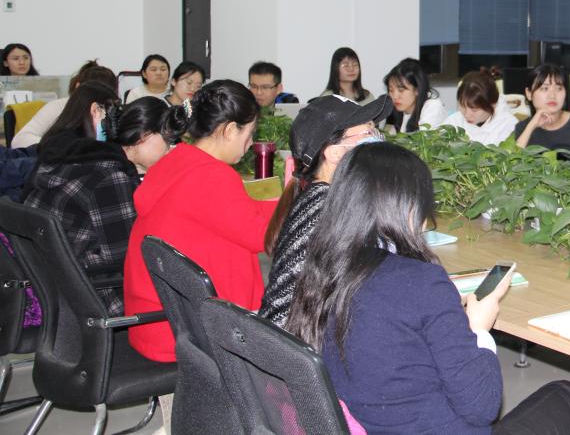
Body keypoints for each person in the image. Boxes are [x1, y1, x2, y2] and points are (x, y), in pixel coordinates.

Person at [285, 143, 570, 434]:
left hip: (366, 424)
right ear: (406, 207)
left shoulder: (322, 269)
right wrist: (478, 330)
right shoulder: (422, 282)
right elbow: (483, 406)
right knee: (569, 397)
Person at [123, 80, 276, 362]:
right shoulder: (211, 176)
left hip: (157, 321)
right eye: (249, 133)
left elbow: (236, 214)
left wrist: (284, 203)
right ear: (229, 130)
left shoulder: (177, 161)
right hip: (184, 334)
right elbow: (262, 236)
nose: (250, 143)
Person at [22, 88, 179, 315]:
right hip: (91, 297)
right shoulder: (111, 178)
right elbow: (127, 258)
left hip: (49, 286)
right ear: (143, 135)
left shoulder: (78, 159)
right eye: (168, 140)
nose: (170, 149)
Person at [259, 93, 393, 327]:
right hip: (303, 340)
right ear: (334, 153)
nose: (377, 140)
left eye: (375, 130)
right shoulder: (335, 210)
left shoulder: (315, 195)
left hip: (288, 336)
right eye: (367, 133)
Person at [11, 60, 117, 148]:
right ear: (78, 87)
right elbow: (20, 140)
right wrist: (62, 147)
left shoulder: (112, 111)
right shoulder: (57, 107)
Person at [514, 64, 570, 161]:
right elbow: (513, 163)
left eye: (558, 89)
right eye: (545, 88)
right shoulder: (523, 128)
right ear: (529, 93)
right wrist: (531, 126)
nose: (552, 95)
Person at [443, 71, 518, 145]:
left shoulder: (509, 126)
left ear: (493, 105)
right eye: (463, 106)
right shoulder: (454, 121)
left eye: (474, 110)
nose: (467, 115)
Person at [384, 58, 447, 132]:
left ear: (417, 90)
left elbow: (423, 138)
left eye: (401, 90)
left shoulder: (432, 106)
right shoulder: (401, 110)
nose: (394, 96)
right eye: (391, 90)